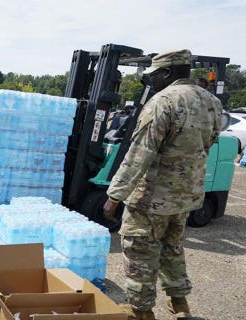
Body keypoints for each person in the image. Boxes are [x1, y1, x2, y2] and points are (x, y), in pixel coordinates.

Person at [103, 49, 222, 320]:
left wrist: (115, 195)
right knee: (172, 248)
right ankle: (179, 305)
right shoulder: (211, 102)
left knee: (140, 250)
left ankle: (140, 311)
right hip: (185, 196)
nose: (150, 82)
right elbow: (209, 142)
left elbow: (140, 153)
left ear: (167, 73)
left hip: (152, 197)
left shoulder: (163, 101)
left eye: (153, 76)